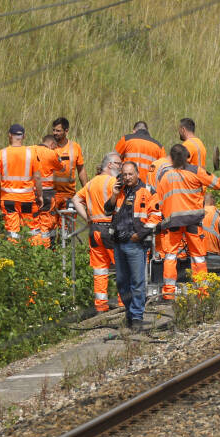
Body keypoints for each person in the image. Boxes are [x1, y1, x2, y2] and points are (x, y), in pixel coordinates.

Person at [153, 144, 220, 299]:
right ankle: (202, 291)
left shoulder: (165, 175)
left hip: (173, 222)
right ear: (186, 157)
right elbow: (219, 184)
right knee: (197, 256)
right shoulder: (196, 171)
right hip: (192, 222)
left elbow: (159, 199)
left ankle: (168, 292)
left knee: (170, 256)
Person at [103, 161, 159, 331]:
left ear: (137, 174)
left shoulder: (147, 191)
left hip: (135, 243)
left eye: (130, 174)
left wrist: (139, 234)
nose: (127, 177)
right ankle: (129, 312)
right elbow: (107, 211)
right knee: (121, 282)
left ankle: (136, 316)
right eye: (124, 174)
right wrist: (114, 194)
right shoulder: (119, 191)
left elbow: (156, 216)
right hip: (119, 243)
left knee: (137, 282)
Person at [74, 153, 121, 312]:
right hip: (110, 229)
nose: (120, 167)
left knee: (100, 269)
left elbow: (75, 200)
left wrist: (87, 217)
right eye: (118, 164)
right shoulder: (114, 182)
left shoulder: (90, 183)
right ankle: (123, 303)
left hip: (94, 229)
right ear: (109, 165)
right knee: (121, 265)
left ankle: (101, 305)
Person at [0, 123, 43, 243]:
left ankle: (14, 257)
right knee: (32, 230)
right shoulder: (31, 153)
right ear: (23, 136)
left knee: (12, 232)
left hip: (8, 199)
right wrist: (40, 195)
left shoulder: (2, 154)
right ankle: (35, 257)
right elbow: (37, 177)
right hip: (27, 199)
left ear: (9, 135)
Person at [51, 116, 86, 234]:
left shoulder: (75, 147)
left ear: (66, 131)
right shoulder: (49, 147)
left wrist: (86, 190)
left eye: (58, 130)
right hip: (51, 195)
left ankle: (65, 252)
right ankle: (51, 251)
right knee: (50, 229)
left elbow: (81, 169)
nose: (55, 133)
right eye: (54, 130)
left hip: (69, 195)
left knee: (66, 231)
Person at [31, 135, 63, 247]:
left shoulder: (30, 150)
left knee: (33, 222)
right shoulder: (51, 153)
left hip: (30, 192)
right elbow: (60, 167)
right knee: (46, 222)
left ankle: (32, 248)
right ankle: (45, 250)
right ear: (52, 144)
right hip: (47, 193)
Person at [115, 121, 166, 187]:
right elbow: (164, 169)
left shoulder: (126, 139)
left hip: (127, 182)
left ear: (134, 131)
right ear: (147, 131)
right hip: (148, 186)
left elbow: (114, 159)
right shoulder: (159, 146)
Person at [201, 191, 220, 256]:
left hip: (197, 253)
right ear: (212, 200)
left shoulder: (196, 211)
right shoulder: (215, 212)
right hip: (212, 255)